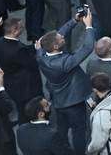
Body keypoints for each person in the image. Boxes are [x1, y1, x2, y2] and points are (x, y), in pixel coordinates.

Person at [37, 10, 98, 155]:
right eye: (60, 39)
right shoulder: (64, 63)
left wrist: (74, 20)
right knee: (79, 131)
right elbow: (87, 48)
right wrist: (88, 26)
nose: (63, 37)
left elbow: (58, 34)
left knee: (62, 128)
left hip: (58, 99)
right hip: (73, 102)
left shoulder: (40, 54)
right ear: (56, 47)